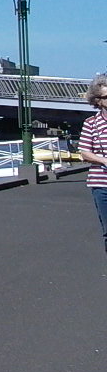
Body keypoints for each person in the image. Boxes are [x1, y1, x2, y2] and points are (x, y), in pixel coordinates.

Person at [77, 74, 107, 253]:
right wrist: (103, 160)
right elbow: (84, 153)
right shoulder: (91, 124)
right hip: (101, 184)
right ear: (98, 100)